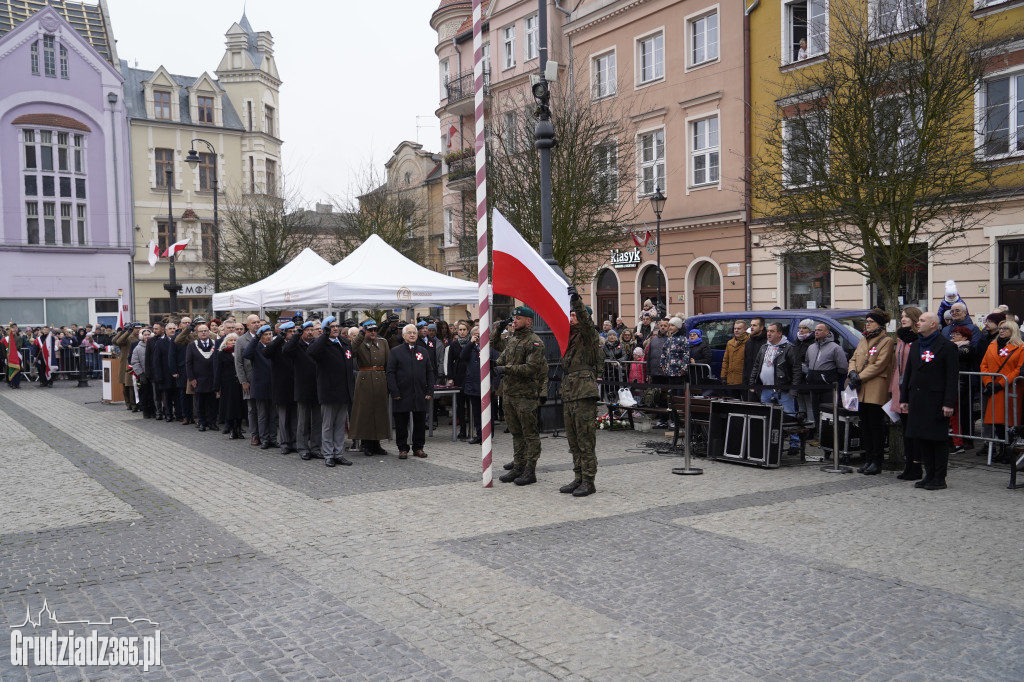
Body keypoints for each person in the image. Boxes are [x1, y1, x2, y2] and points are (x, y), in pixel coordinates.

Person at [900, 312, 958, 490]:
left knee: (937, 440)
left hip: (936, 400)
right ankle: (929, 474)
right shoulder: (917, 345)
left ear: (933, 324)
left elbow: (951, 377)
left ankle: (940, 477)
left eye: (922, 321)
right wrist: (904, 398)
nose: (918, 323)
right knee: (922, 438)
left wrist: (948, 403)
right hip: (917, 399)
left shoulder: (947, 347)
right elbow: (908, 373)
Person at [494, 306, 548, 485]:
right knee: (516, 433)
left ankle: (530, 470)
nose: (514, 321)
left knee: (530, 434)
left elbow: (531, 368)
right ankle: (518, 466)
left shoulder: (534, 342)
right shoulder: (513, 339)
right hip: (509, 394)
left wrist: (505, 369)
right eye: (513, 318)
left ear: (528, 321)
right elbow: (499, 353)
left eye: (518, 318)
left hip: (525, 395)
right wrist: (498, 329)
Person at [558, 288, 603, 497]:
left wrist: (577, 302)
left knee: (585, 439)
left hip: (584, 392)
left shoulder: (588, 335)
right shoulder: (569, 337)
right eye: (571, 314)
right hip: (569, 391)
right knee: (573, 440)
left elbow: (585, 321)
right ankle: (578, 477)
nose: (571, 317)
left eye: (574, 314)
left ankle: (589, 480)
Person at [848, 310, 894, 475]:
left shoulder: (886, 341)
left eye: (870, 321)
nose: (867, 324)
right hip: (860, 389)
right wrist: (852, 372)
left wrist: (858, 377)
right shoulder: (863, 339)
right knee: (864, 425)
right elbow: (853, 358)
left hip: (875, 387)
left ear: (879, 324)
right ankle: (868, 459)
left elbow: (879, 365)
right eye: (866, 321)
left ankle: (877, 460)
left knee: (876, 426)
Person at [307, 316, 356, 467]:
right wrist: (324, 336)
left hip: (343, 391)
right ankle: (328, 454)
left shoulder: (345, 342)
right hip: (328, 391)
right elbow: (312, 352)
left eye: (336, 326)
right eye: (331, 327)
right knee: (328, 425)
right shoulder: (321, 344)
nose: (335, 328)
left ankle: (338, 453)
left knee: (340, 425)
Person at [748, 321, 803, 453]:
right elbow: (756, 366)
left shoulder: (788, 347)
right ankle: (767, 441)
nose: (769, 334)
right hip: (766, 389)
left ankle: (794, 444)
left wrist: (793, 389)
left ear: (779, 333)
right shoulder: (764, 347)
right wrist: (752, 383)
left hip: (783, 390)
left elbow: (796, 370)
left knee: (789, 416)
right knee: (765, 416)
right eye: (768, 331)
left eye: (772, 331)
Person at [387, 323, 435, 459]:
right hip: (402, 393)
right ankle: (403, 448)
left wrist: (429, 390)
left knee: (420, 422)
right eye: (409, 333)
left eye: (414, 332)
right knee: (401, 422)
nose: (412, 335)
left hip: (420, 392)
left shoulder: (423, 351)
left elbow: (430, 372)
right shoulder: (395, 351)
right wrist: (394, 392)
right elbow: (390, 373)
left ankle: (418, 447)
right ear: (403, 335)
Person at [979, 319, 1024, 463]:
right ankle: (1002, 448)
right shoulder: (992, 345)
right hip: (994, 390)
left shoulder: (1020, 347)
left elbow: (1018, 369)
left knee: (1009, 421)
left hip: (1011, 389)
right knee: (997, 421)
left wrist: (1002, 382)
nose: (1002, 330)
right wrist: (988, 382)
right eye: (1000, 328)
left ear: (1013, 331)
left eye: (1005, 328)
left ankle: (1010, 449)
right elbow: (984, 365)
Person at [889, 307, 923, 479]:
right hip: (899, 387)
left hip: (912, 388)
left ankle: (917, 465)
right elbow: (897, 365)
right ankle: (908, 465)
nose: (903, 319)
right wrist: (892, 388)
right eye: (901, 316)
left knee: (913, 430)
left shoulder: (919, 339)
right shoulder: (901, 338)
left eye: (906, 317)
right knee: (906, 430)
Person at [350, 320, 392, 456]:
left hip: (380, 379)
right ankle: (366, 443)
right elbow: (351, 351)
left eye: (375, 330)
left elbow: (388, 363)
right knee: (366, 412)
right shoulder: (360, 342)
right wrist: (360, 334)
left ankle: (377, 443)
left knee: (379, 412)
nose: (373, 332)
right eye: (370, 330)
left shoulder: (383, 343)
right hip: (365, 379)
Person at [284, 321, 322, 459]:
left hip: (317, 387)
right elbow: (286, 350)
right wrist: (297, 334)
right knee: (303, 420)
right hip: (303, 387)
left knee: (317, 420)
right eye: (307, 330)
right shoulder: (296, 346)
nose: (310, 332)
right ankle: (303, 447)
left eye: (312, 330)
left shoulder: (316, 345)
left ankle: (316, 447)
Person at [806, 322, 849, 428]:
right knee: (816, 412)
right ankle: (817, 435)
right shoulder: (811, 347)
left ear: (827, 332)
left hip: (828, 387)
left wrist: (829, 377)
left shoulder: (835, 348)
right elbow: (808, 362)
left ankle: (830, 437)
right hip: (814, 386)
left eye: (820, 330)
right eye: (815, 330)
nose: (816, 332)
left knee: (829, 413)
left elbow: (843, 367)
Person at [264, 320, 298, 454]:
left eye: (294, 331)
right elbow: (266, 353)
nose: (293, 334)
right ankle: (285, 443)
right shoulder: (277, 344)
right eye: (290, 332)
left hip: (295, 384)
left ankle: (294, 442)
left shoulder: (296, 344)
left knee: (295, 417)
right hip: (281, 386)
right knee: (283, 418)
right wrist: (280, 337)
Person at [244, 324, 277, 450]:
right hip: (260, 385)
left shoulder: (274, 346)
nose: (268, 337)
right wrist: (255, 339)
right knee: (262, 415)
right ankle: (264, 439)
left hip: (273, 385)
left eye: (270, 334)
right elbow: (246, 354)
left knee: (273, 415)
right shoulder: (256, 347)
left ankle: (273, 438)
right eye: (265, 335)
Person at [185, 323, 218, 431]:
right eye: (201, 331)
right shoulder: (192, 345)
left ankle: (212, 423)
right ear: (197, 333)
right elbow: (188, 363)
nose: (203, 333)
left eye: (205, 330)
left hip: (212, 378)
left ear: (209, 332)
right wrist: (192, 378)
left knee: (213, 403)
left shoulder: (215, 344)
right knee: (200, 403)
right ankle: (202, 422)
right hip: (198, 379)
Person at [235, 314, 262, 446]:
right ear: (248, 325)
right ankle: (254, 435)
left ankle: (265, 434)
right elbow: (238, 363)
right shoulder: (241, 340)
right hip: (249, 379)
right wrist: (243, 381)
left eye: (258, 322)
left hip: (263, 379)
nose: (257, 324)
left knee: (264, 409)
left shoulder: (265, 337)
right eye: (254, 323)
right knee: (252, 409)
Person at [948, 326, 975, 455]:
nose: (953, 336)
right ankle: (954, 441)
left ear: (964, 337)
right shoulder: (952, 346)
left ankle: (958, 443)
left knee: (955, 415)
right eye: (953, 333)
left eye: (957, 334)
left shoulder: (967, 348)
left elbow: (956, 355)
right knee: (951, 415)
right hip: (953, 384)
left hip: (960, 384)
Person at [215, 332, 245, 439]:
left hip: (240, 383)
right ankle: (232, 429)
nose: (233, 342)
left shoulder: (242, 352)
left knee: (240, 407)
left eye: (235, 340)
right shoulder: (222, 353)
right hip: (227, 384)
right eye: (231, 340)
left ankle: (239, 428)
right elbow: (218, 370)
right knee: (230, 407)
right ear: (226, 342)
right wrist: (217, 386)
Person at [446, 321, 473, 440]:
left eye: (464, 330)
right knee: (460, 405)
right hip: (458, 376)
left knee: (471, 404)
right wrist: (450, 378)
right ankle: (462, 430)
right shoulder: (454, 344)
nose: (462, 332)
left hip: (470, 375)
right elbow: (449, 362)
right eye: (460, 330)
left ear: (468, 331)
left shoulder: (472, 343)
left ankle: (473, 430)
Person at [792, 319, 816, 424]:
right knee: (800, 403)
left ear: (810, 330)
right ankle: (802, 425)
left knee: (809, 404)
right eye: (799, 328)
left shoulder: (813, 342)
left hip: (806, 377)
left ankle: (810, 426)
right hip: (797, 378)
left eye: (804, 328)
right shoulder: (797, 341)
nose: (801, 330)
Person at [130, 329, 155, 418]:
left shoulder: (154, 345)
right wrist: (140, 374)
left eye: (148, 334)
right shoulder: (138, 348)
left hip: (153, 375)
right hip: (142, 375)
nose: (147, 336)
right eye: (145, 335)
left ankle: (154, 411)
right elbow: (135, 362)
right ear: (142, 336)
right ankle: (146, 411)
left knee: (153, 394)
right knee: (144, 394)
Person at [742, 317, 768, 401]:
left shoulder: (767, 342)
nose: (751, 327)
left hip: (763, 383)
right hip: (750, 382)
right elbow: (746, 362)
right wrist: (745, 379)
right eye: (751, 325)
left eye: (754, 325)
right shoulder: (749, 341)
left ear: (761, 327)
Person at [720, 320, 748, 396]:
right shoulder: (730, 343)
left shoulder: (749, 342)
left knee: (746, 403)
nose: (736, 330)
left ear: (745, 329)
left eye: (739, 329)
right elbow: (726, 361)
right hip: (732, 379)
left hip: (743, 380)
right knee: (734, 401)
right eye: (735, 328)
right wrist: (723, 376)